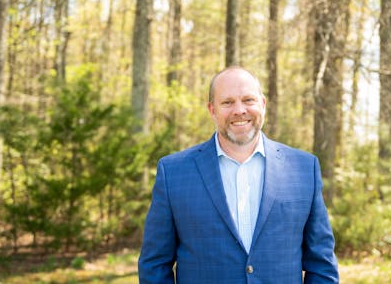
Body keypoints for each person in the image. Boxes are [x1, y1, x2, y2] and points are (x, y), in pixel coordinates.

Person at [138, 66, 339, 283]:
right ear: (212, 110)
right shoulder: (174, 173)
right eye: (227, 102)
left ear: (262, 104)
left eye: (248, 100)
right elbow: (154, 266)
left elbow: (322, 265)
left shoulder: (304, 168)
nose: (239, 110)